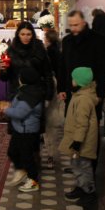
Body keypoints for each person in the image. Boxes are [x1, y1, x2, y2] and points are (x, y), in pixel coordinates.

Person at [57, 10, 105, 120]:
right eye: (71, 25)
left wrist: (100, 93)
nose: (73, 28)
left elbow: (103, 69)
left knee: (90, 123)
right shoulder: (67, 41)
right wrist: (61, 88)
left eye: (76, 25)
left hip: (91, 90)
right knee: (71, 122)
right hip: (71, 89)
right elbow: (63, 66)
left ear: (84, 23)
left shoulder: (98, 40)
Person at [60, 67, 99, 206]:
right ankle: (80, 187)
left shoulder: (83, 99)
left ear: (79, 82)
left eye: (73, 78)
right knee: (76, 165)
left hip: (82, 141)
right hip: (78, 139)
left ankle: (89, 192)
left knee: (83, 167)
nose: (72, 80)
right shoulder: (79, 95)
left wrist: (77, 141)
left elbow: (82, 124)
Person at [4, 67, 45, 192]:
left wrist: (6, 109)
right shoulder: (27, 90)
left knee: (27, 157)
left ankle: (33, 181)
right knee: (12, 152)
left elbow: (19, 113)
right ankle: (22, 170)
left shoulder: (30, 95)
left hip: (27, 131)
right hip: (20, 129)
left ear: (24, 79)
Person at [0, 21, 54, 101]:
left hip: (36, 93)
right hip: (17, 92)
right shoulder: (12, 49)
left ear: (32, 35)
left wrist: (48, 96)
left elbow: (48, 73)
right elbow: (4, 78)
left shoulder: (39, 48)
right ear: (18, 34)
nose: (26, 37)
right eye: (23, 34)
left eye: (28, 34)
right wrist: (3, 70)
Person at [42, 28, 62, 168]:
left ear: (48, 39)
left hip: (49, 86)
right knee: (51, 119)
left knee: (48, 120)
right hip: (56, 85)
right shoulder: (59, 51)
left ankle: (50, 154)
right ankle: (51, 154)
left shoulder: (47, 52)